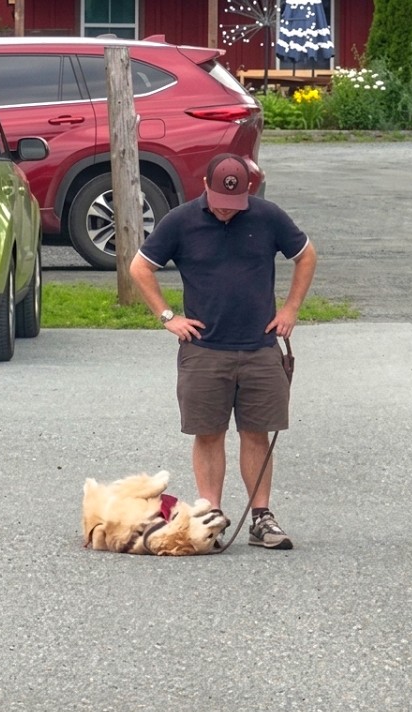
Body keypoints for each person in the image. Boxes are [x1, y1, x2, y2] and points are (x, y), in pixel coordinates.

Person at [129, 153, 318, 551]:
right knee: (209, 433)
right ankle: (210, 515)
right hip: (204, 349)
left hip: (260, 347)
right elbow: (139, 267)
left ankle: (261, 518)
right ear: (205, 187)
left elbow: (306, 256)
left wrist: (290, 309)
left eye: (236, 205)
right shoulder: (180, 221)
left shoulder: (267, 217)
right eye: (220, 203)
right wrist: (168, 317)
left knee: (256, 432)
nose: (228, 211)